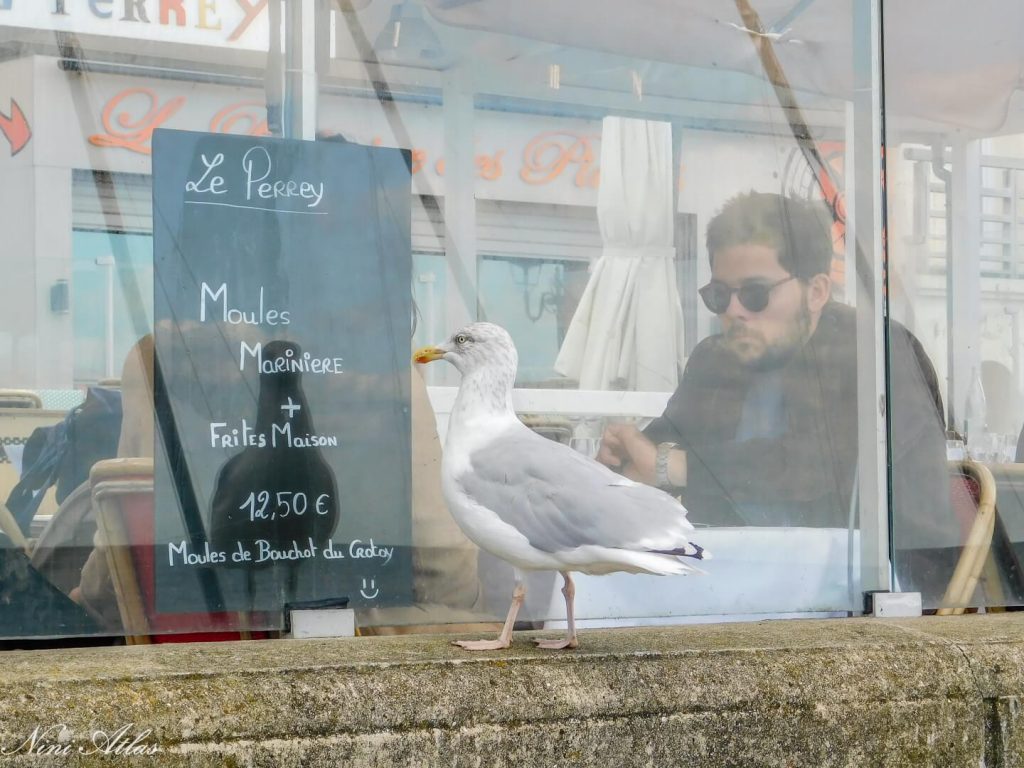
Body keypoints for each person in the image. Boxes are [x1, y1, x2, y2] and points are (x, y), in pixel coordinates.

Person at [597, 192, 951, 570]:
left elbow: (823, 467)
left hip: (879, 587)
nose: (733, 311)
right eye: (720, 295)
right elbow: (662, 444)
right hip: (736, 578)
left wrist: (672, 468)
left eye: (754, 294)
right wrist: (621, 459)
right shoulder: (714, 360)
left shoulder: (878, 354)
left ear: (816, 292)